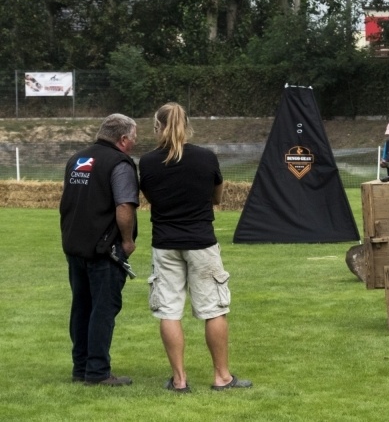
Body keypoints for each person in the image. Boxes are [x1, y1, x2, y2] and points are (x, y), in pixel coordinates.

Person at [139, 102, 252, 393]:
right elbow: (216, 197)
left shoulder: (148, 162)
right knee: (213, 309)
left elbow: (151, 198)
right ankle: (222, 377)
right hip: (201, 241)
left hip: (165, 243)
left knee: (169, 310)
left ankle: (179, 380)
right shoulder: (206, 158)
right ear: (187, 125)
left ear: (157, 127)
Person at [60, 113, 139, 386]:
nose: (135, 142)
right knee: (103, 310)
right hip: (105, 250)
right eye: (134, 137)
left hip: (75, 247)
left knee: (81, 308)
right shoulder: (120, 163)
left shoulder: (77, 159)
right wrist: (127, 241)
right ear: (124, 139)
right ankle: (97, 372)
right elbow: (124, 206)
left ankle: (80, 367)